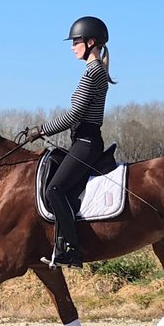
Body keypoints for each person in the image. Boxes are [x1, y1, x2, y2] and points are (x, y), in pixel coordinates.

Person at [23, 16, 116, 267]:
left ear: (91, 42)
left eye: (76, 41)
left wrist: (41, 130)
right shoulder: (94, 71)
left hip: (86, 142)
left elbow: (74, 115)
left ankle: (72, 249)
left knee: (55, 189)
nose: (72, 46)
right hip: (82, 141)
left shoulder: (93, 72)